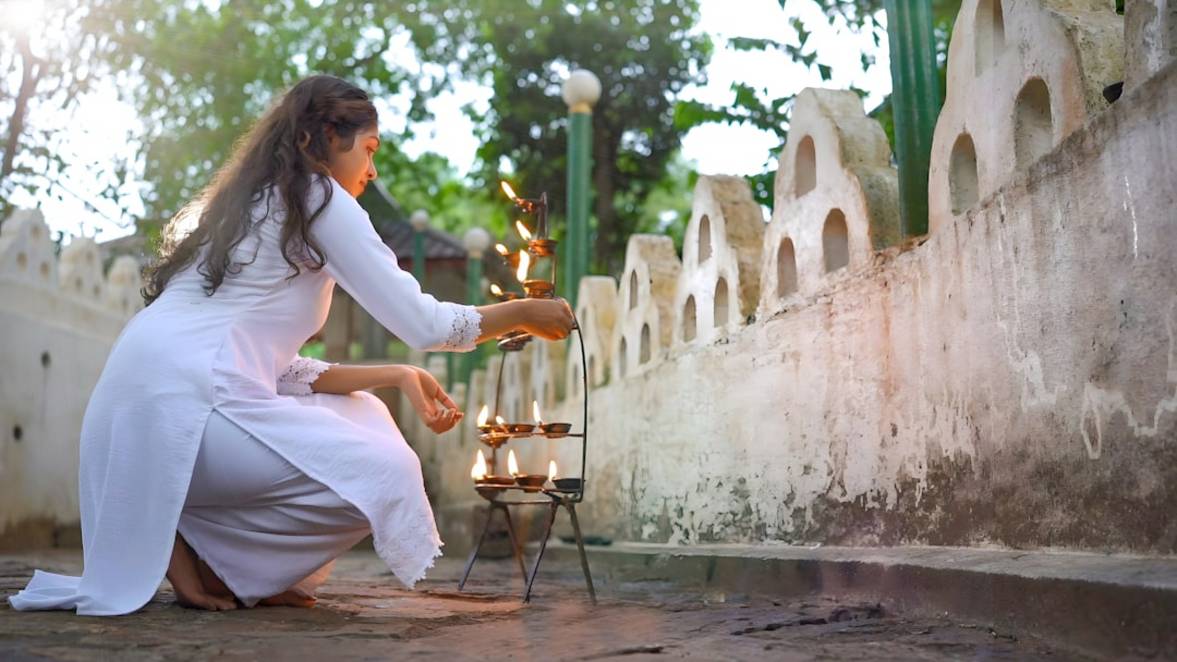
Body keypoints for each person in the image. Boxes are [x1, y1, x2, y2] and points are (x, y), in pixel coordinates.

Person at [6, 75, 574, 616]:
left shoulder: (246, 206)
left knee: (365, 414)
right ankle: (221, 564)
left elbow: (272, 369)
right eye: (369, 150)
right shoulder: (320, 198)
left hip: (133, 422)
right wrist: (525, 309)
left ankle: (230, 566)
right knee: (382, 473)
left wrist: (398, 374)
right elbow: (424, 323)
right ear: (328, 139)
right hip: (183, 416)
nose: (372, 170)